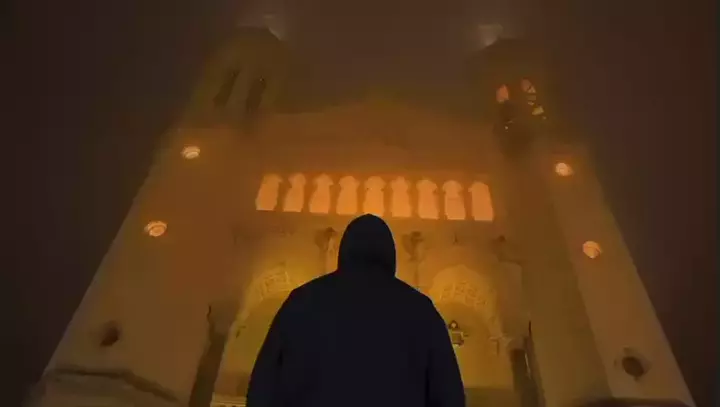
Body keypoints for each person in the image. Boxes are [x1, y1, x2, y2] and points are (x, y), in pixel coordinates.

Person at [247, 214, 465, 407]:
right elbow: (448, 395)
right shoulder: (421, 311)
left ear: (344, 250)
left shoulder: (302, 301)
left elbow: (264, 385)